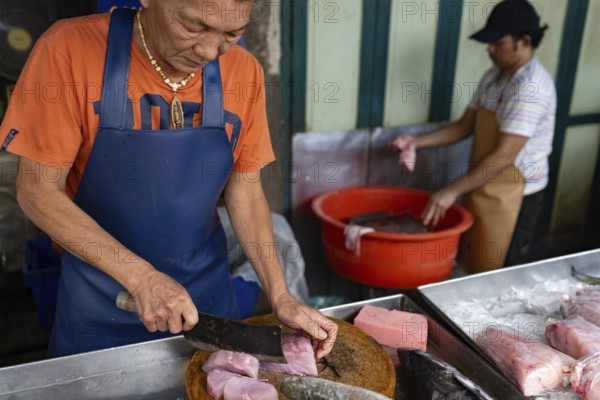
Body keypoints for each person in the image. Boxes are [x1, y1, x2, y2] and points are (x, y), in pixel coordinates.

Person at [0, 0, 337, 358]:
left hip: (205, 303)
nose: (209, 51)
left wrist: (280, 295)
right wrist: (142, 278)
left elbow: (246, 192)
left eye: (231, 34)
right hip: (98, 300)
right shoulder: (68, 50)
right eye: (193, 27)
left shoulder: (243, 72)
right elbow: (36, 191)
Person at [391, 0, 555, 273]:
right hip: (484, 181)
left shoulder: (530, 88)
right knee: (475, 261)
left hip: (516, 194)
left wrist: (450, 191)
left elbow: (504, 157)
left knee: (501, 269)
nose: (489, 50)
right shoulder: (494, 76)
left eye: (497, 43)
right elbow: (464, 126)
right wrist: (416, 142)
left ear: (524, 41)